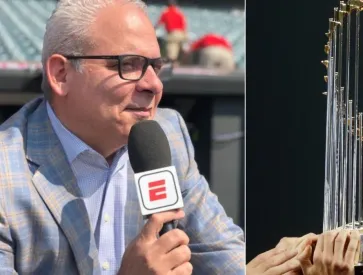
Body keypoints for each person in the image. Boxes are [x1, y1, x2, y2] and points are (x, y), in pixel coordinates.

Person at [0, 0, 244, 274]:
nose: (154, 85)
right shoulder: (6, 173)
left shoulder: (166, 135)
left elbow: (225, 254)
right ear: (61, 74)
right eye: (128, 64)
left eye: (156, 66)